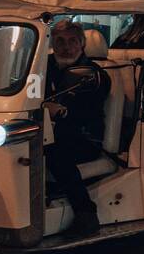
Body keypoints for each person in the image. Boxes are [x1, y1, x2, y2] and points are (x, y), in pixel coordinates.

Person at [45, 21, 111, 238]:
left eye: (72, 41)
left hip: (84, 137)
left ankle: (86, 213)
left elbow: (87, 110)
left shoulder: (95, 75)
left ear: (82, 45)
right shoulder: (41, 68)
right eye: (60, 41)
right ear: (52, 44)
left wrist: (62, 112)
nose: (66, 46)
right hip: (44, 131)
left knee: (55, 150)